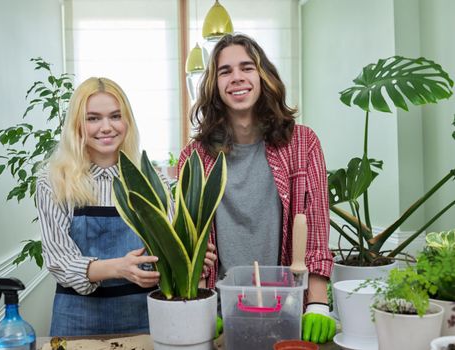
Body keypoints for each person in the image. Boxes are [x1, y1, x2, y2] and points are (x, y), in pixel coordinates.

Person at [178, 33, 336, 344]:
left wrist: (318, 303)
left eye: (246, 68)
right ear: (214, 85)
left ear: (263, 76)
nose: (236, 78)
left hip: (287, 309)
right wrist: (198, 298)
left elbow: (316, 227)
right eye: (225, 71)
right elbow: (187, 239)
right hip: (219, 311)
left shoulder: (303, 144)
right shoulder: (194, 158)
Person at [36, 77, 161, 336]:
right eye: (93, 118)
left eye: (115, 116)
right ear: (77, 125)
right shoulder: (53, 181)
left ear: (127, 121)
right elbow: (60, 261)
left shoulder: (151, 180)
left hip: (145, 317)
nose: (106, 127)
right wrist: (118, 268)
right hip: (76, 319)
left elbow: (167, 247)